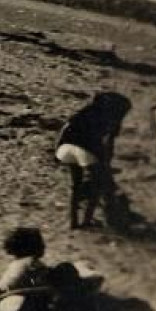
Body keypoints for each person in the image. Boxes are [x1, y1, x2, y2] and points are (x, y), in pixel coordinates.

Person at [56, 91, 133, 230]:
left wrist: (57, 150)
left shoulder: (87, 112)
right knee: (98, 184)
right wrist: (105, 163)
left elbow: (66, 128)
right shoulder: (110, 119)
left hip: (67, 146)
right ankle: (87, 221)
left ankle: (74, 223)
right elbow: (107, 143)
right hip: (84, 148)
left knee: (76, 184)